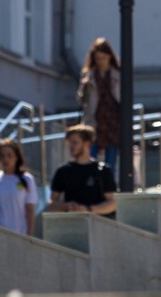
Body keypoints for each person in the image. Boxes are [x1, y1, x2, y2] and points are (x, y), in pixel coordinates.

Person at [47, 124, 117, 217]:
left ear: (86, 143)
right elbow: (52, 204)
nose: (71, 147)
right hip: (72, 223)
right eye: (70, 143)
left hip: (98, 224)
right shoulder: (63, 171)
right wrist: (67, 206)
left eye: (75, 142)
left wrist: (88, 209)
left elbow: (112, 203)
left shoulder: (102, 170)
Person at [77, 37, 121, 178]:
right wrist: (85, 87)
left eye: (103, 58)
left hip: (112, 122)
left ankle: (109, 186)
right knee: (91, 155)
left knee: (111, 159)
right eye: (97, 58)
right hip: (94, 121)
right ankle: (91, 184)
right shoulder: (89, 75)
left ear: (109, 57)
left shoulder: (117, 75)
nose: (100, 62)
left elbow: (122, 98)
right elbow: (81, 100)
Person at [0, 139, 38, 236]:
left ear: (16, 157)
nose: (6, 159)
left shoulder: (27, 179)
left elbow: (30, 211)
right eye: (2, 156)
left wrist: (29, 236)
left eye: (9, 155)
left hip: (18, 233)